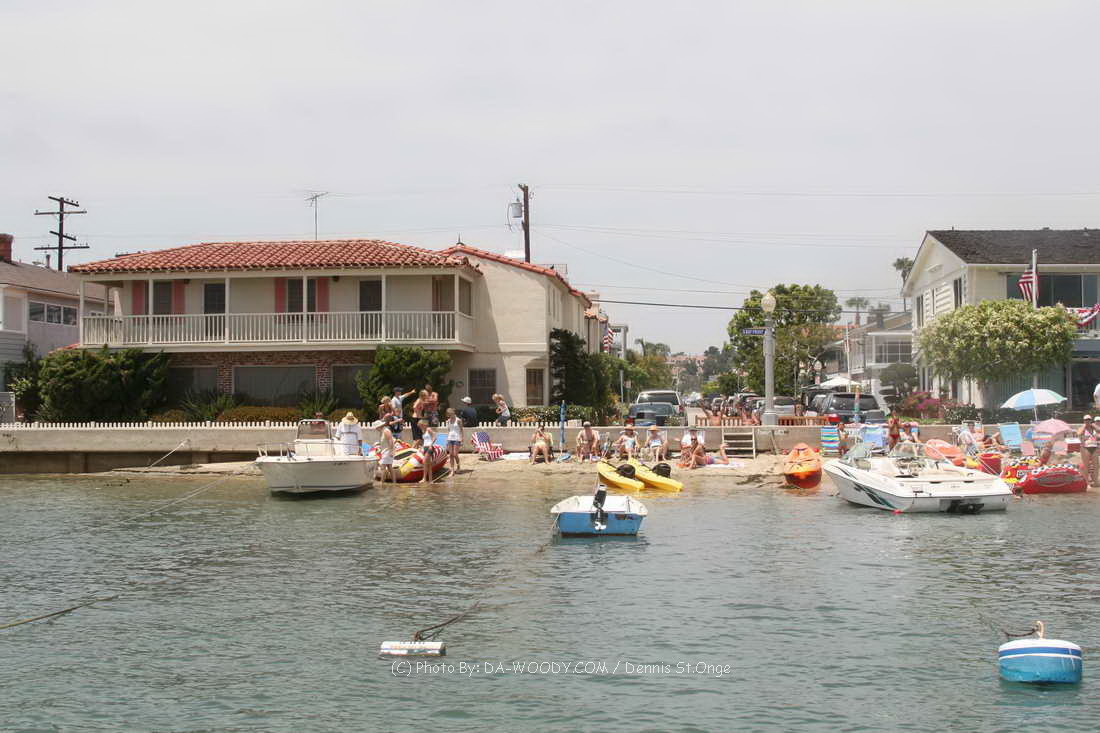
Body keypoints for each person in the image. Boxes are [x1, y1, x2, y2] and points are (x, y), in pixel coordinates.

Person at [1078, 415, 1099, 487]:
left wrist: (1093, 425)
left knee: (1096, 465)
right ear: (1084, 421)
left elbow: (1099, 430)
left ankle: (1095, 482)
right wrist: (1085, 426)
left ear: (1091, 420)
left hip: (1094, 447)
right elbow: (1079, 433)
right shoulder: (1082, 428)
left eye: (1089, 420)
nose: (1087, 421)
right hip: (1085, 448)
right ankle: (1086, 482)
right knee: (1086, 466)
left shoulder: (1094, 428)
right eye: (1086, 420)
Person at [378, 415, 397, 483]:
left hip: (388, 452)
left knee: (383, 467)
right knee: (389, 467)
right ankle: (394, 482)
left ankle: (382, 483)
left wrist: (391, 451)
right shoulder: (382, 431)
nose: (376, 429)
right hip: (386, 451)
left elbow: (390, 441)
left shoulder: (386, 431)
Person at [444, 407, 463, 473]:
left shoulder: (458, 420)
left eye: (450, 414)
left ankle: (458, 466)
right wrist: (447, 439)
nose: (449, 415)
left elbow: (461, 430)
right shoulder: (448, 421)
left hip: (457, 438)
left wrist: (462, 439)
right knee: (451, 454)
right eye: (448, 414)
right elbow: (449, 430)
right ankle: (452, 469)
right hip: (450, 438)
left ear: (453, 413)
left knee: (455, 454)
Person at [418, 420, 436, 484]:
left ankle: (424, 478)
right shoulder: (423, 431)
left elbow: (434, 437)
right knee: (429, 464)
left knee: (424, 461)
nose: (420, 427)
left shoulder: (428, 429)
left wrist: (431, 445)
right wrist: (421, 447)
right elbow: (425, 440)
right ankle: (430, 480)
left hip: (429, 447)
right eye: (419, 426)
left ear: (423, 424)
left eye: (421, 425)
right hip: (425, 447)